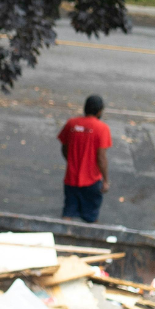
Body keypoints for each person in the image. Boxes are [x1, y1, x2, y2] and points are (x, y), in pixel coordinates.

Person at [57, 95, 111, 223]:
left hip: (71, 179)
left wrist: (71, 161)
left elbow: (64, 148)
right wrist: (106, 180)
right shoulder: (102, 129)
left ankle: (62, 237)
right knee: (91, 217)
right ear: (99, 111)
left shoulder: (72, 124)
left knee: (68, 212)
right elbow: (101, 157)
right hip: (92, 181)